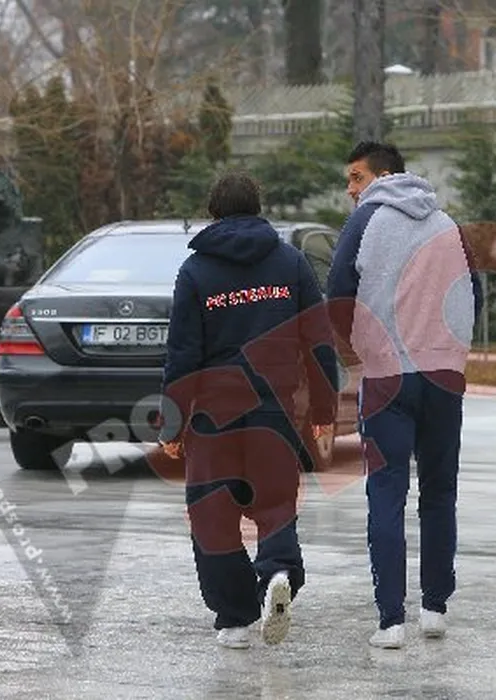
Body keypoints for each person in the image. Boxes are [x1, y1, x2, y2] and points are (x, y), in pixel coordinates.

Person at [158, 172, 339, 649]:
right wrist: (324, 407)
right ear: (258, 209)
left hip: (211, 415)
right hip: (273, 409)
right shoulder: (290, 262)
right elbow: (318, 341)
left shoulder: (195, 271)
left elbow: (182, 355)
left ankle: (235, 619)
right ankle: (278, 571)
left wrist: (172, 425)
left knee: (213, 515)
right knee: (274, 502)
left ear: (213, 213)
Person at [326, 141, 483, 649]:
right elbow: (475, 293)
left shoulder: (364, 222)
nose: (350, 190)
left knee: (387, 493)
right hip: (444, 375)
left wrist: (355, 355)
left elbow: (337, 295)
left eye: (356, 178)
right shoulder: (447, 224)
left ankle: (391, 621)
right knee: (440, 492)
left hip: (387, 375)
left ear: (382, 176)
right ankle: (435, 608)